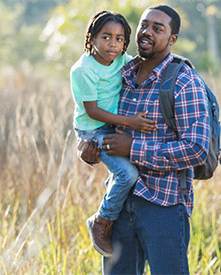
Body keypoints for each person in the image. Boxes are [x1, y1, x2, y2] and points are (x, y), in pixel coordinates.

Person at [78, 5, 210, 274]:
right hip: (120, 205)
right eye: (144, 25)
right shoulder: (121, 73)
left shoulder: (184, 81)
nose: (147, 32)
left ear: (172, 39)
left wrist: (133, 148)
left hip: (164, 205)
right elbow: (96, 120)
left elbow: (196, 149)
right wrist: (88, 148)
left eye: (158, 29)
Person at [70, 10, 157, 257]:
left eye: (119, 39)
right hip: (93, 129)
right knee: (127, 174)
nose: (113, 44)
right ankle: (101, 220)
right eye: (106, 37)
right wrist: (130, 122)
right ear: (92, 38)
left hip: (116, 126)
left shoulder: (121, 60)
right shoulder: (82, 70)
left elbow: (149, 61)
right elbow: (93, 111)